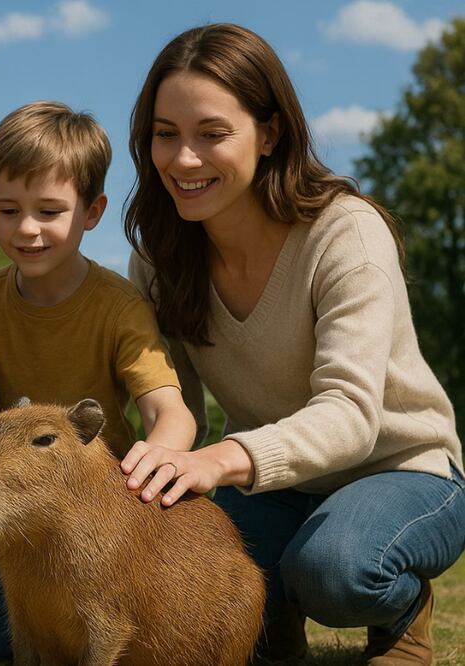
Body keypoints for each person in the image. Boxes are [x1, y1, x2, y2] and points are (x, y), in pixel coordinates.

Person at [123, 23, 464, 665]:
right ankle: (272, 625)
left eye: (212, 134)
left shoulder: (346, 236)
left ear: (270, 133)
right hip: (273, 482)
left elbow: (353, 417)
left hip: (403, 469)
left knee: (332, 572)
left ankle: (400, 609)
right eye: (165, 134)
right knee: (198, 590)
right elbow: (174, 408)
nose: (184, 159)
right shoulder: (159, 258)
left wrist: (217, 461)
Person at [0, 101, 197, 661]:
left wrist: (147, 481)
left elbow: (169, 413)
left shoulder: (120, 307)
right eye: (8, 210)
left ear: (92, 210)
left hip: (105, 512)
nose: (27, 229)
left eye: (50, 211)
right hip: (14, 510)